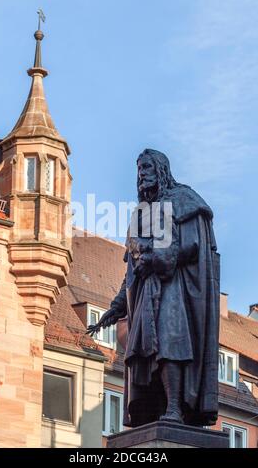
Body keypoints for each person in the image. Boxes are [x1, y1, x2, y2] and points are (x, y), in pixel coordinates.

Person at [87, 149, 220, 427]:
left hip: (175, 289)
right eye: (138, 169)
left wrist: (155, 255)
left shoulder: (185, 200)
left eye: (146, 168)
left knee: (171, 344)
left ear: (161, 169)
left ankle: (174, 408)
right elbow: (131, 270)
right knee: (145, 352)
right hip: (146, 293)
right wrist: (116, 306)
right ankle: (157, 408)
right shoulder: (142, 214)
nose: (141, 174)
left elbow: (193, 245)